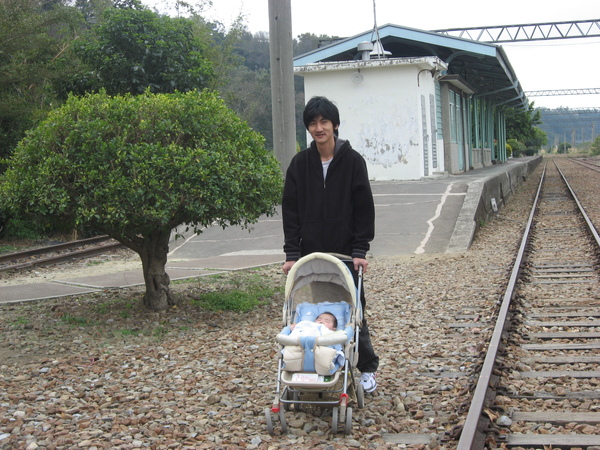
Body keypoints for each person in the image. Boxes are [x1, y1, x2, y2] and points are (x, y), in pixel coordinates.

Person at [281, 96, 379, 393]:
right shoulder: (300, 164)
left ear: (335, 125)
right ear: (308, 128)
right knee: (321, 313)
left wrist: (360, 249)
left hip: (346, 252)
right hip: (314, 254)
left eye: (324, 122)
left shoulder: (352, 161)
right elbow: (291, 210)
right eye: (313, 123)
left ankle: (367, 367)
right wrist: (292, 253)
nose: (319, 128)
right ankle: (321, 364)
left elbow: (364, 207)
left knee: (353, 312)